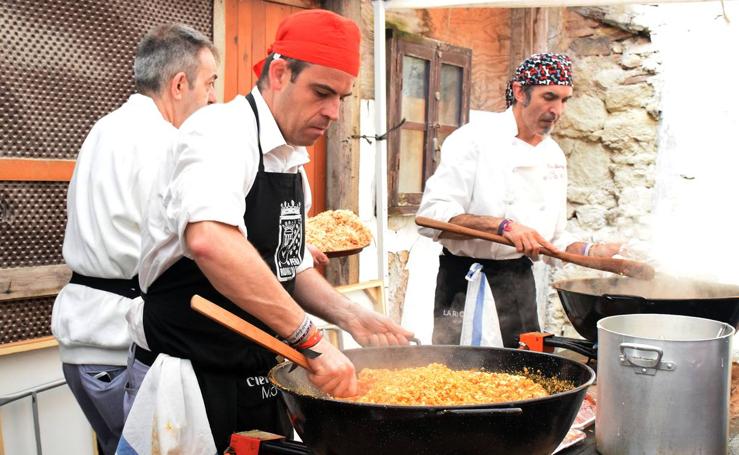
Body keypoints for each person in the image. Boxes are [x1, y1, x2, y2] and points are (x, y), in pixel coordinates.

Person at [136, 9, 413, 452]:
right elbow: (212, 241)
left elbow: (292, 268)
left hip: (264, 374)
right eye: (322, 92)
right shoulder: (220, 132)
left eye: (341, 96)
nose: (334, 112)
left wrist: (352, 316)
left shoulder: (291, 161)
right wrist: (311, 339)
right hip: (193, 378)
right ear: (280, 73)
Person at [50, 24, 218, 455]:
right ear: (180, 84)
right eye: (211, 82)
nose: (214, 97)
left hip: (82, 340)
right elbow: (183, 242)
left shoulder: (104, 128)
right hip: (117, 340)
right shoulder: (166, 143)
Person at [417, 53, 618, 349]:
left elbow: (552, 239)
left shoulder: (553, 155)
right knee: (461, 378)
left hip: (519, 282)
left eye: (564, 100)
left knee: (526, 373)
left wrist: (592, 251)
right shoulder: (473, 140)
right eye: (549, 97)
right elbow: (431, 217)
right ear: (520, 91)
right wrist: (503, 226)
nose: (557, 110)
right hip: (466, 282)